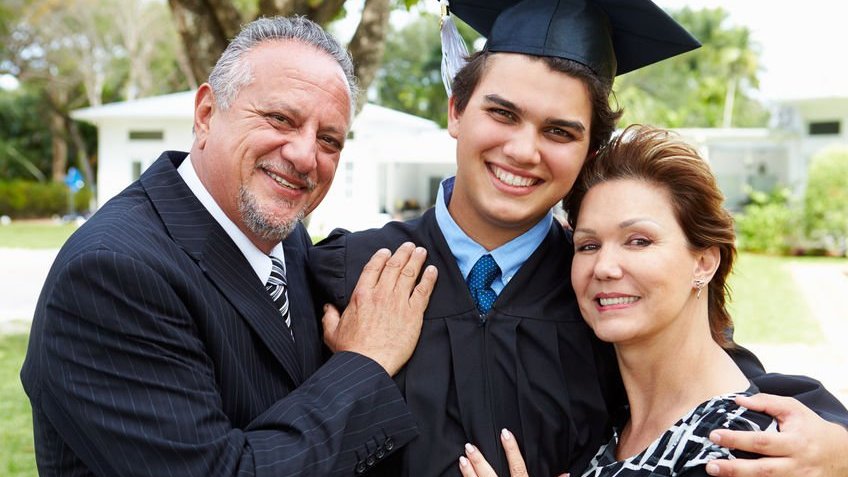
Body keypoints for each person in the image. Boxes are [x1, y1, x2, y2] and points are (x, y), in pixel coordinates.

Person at [309, 1, 848, 476]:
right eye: (502, 113)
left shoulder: (604, 295)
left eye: (559, 131)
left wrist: (838, 446)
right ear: (455, 110)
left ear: (589, 152)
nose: (523, 150)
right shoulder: (350, 270)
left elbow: (715, 376)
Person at [21, 16, 438, 476]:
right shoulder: (112, 272)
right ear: (205, 114)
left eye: (328, 140)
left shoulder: (287, 237)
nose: (304, 157)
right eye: (280, 118)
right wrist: (365, 363)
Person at [456, 125, 848, 477]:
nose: (605, 267)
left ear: (704, 261)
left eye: (639, 240)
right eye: (588, 245)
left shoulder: (748, 450)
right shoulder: (604, 419)